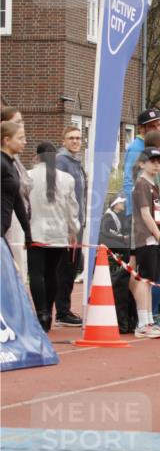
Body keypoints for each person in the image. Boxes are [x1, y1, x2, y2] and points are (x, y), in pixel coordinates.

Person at [27, 142, 80, 333]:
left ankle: (41, 311)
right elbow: (72, 208)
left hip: (35, 232)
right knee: (52, 274)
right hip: (58, 233)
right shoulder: (67, 179)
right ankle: (48, 311)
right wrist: (73, 230)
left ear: (37, 157)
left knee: (36, 273)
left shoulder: (29, 176)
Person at [132, 147, 160, 338]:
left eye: (158, 161)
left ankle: (148, 321)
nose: (156, 164)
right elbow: (145, 214)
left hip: (152, 236)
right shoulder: (142, 184)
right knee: (144, 279)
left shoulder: (152, 185)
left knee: (149, 279)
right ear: (142, 164)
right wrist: (158, 235)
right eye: (152, 161)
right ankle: (142, 323)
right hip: (146, 237)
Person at [54, 126, 87, 327]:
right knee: (65, 267)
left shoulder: (76, 162)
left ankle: (63, 309)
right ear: (64, 140)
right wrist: (68, 225)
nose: (75, 141)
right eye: (71, 138)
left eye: (78, 138)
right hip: (68, 225)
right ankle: (62, 311)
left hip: (78, 222)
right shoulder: (61, 162)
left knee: (72, 266)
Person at [1, 106, 31, 279]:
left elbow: (17, 200)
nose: (25, 142)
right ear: (6, 140)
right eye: (20, 138)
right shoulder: (2, 164)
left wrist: (28, 232)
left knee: (14, 274)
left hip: (5, 230)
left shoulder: (12, 164)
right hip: (2, 232)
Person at [123, 108, 160, 214]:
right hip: (140, 210)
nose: (157, 129)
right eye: (152, 126)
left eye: (158, 125)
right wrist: (133, 210)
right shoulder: (136, 148)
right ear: (141, 128)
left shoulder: (157, 145)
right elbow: (129, 179)